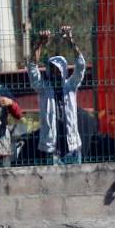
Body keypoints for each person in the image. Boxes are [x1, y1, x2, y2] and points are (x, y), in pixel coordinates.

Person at [29, 26, 86, 165]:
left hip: (72, 147)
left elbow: (81, 65)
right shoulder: (44, 89)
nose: (55, 73)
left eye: (58, 70)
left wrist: (70, 41)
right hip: (52, 149)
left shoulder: (70, 86)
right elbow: (32, 69)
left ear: (63, 71)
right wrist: (40, 43)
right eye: (52, 69)